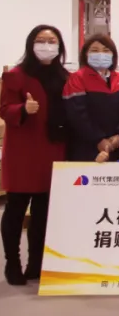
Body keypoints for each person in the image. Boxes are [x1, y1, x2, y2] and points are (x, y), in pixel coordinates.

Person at [0, 25, 68, 286]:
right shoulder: (16, 75)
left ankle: (36, 263)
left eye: (52, 41)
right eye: (41, 40)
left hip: (53, 150)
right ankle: (12, 263)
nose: (47, 45)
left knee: (43, 212)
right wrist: (23, 109)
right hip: (24, 152)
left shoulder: (65, 76)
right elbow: (5, 109)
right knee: (16, 209)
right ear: (31, 44)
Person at [62, 33, 119, 162]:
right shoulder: (77, 78)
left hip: (117, 146)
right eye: (95, 50)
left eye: (106, 50)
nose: (101, 54)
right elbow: (77, 114)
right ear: (85, 54)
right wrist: (98, 139)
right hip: (86, 147)